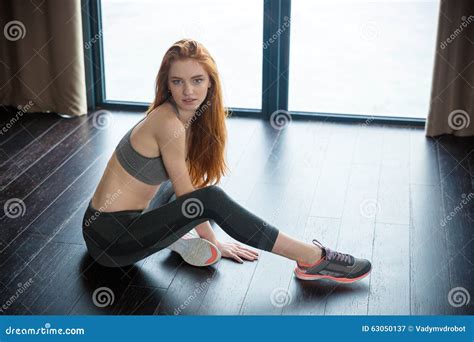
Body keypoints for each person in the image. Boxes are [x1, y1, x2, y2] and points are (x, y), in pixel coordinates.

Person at [82, 39, 371, 283]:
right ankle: (311, 257)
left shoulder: (185, 117)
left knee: (190, 189)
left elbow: (186, 188)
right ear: (167, 85)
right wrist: (214, 241)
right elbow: (192, 200)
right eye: (177, 82)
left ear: (210, 83)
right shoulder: (167, 123)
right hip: (110, 242)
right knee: (210, 198)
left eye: (197, 81)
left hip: (112, 224)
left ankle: (179, 241)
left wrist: (203, 227)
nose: (188, 91)